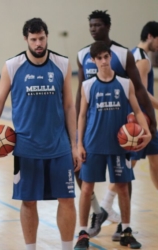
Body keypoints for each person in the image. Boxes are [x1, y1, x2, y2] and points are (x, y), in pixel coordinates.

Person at [0, 18, 79, 250]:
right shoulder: (12, 66)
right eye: (33, 39)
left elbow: (69, 107)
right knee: (28, 201)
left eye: (41, 38)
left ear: (47, 37)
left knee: (66, 199)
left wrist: (75, 144)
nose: (38, 43)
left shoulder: (62, 63)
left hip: (59, 146)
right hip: (26, 148)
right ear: (26, 39)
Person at [75, 10, 157, 238]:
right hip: (93, 132)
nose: (93, 29)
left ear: (108, 27)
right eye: (91, 25)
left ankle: (124, 227)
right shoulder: (83, 54)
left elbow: (139, 90)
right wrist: (75, 134)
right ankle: (95, 215)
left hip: (121, 129)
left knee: (124, 181)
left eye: (98, 25)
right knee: (84, 178)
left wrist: (151, 122)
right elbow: (80, 95)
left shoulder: (122, 54)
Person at [110, 21, 158, 242]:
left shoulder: (134, 53)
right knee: (127, 171)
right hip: (138, 122)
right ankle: (108, 210)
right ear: (151, 36)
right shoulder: (142, 60)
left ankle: (108, 209)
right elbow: (141, 93)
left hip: (145, 121)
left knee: (154, 163)